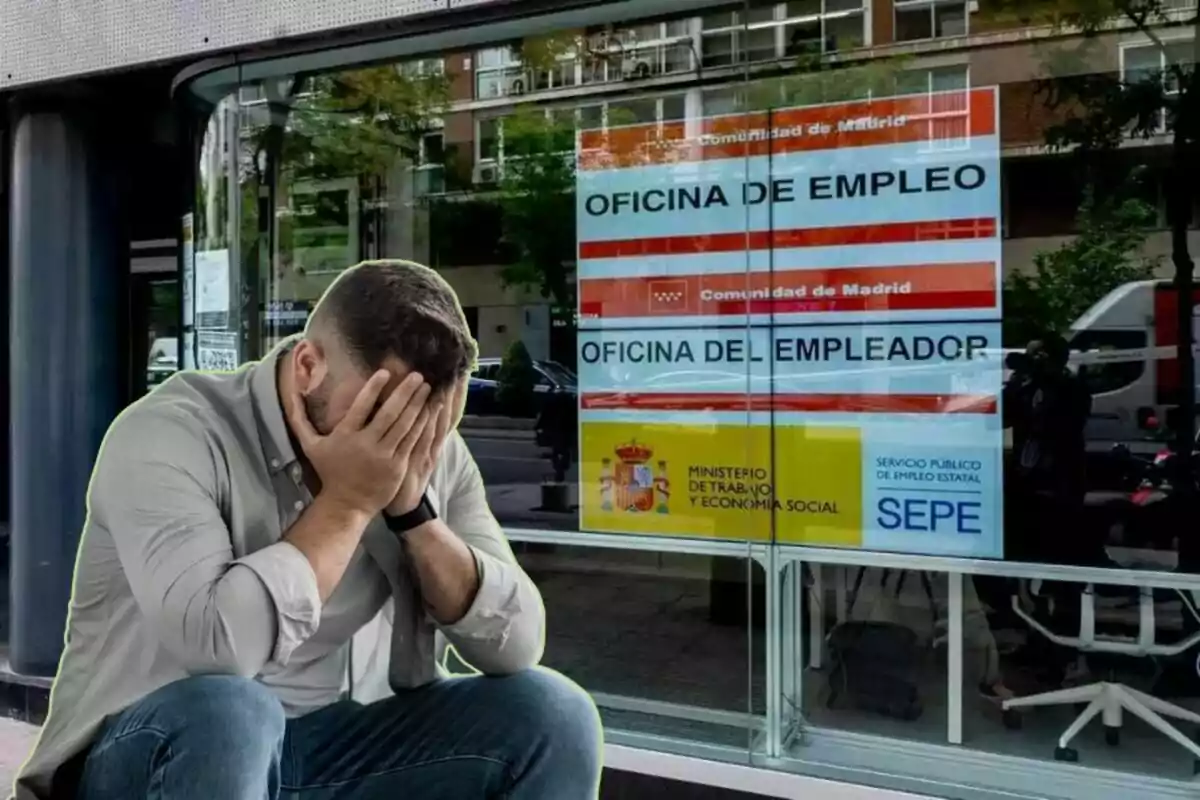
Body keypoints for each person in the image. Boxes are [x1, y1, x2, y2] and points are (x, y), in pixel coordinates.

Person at [13, 260, 602, 800]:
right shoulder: (170, 434)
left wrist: (412, 515)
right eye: (381, 413)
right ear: (307, 366)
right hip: (159, 751)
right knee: (233, 713)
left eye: (428, 422)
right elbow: (216, 646)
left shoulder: (430, 450)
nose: (403, 444)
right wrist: (347, 503)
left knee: (554, 714)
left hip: (340, 748)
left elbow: (518, 642)